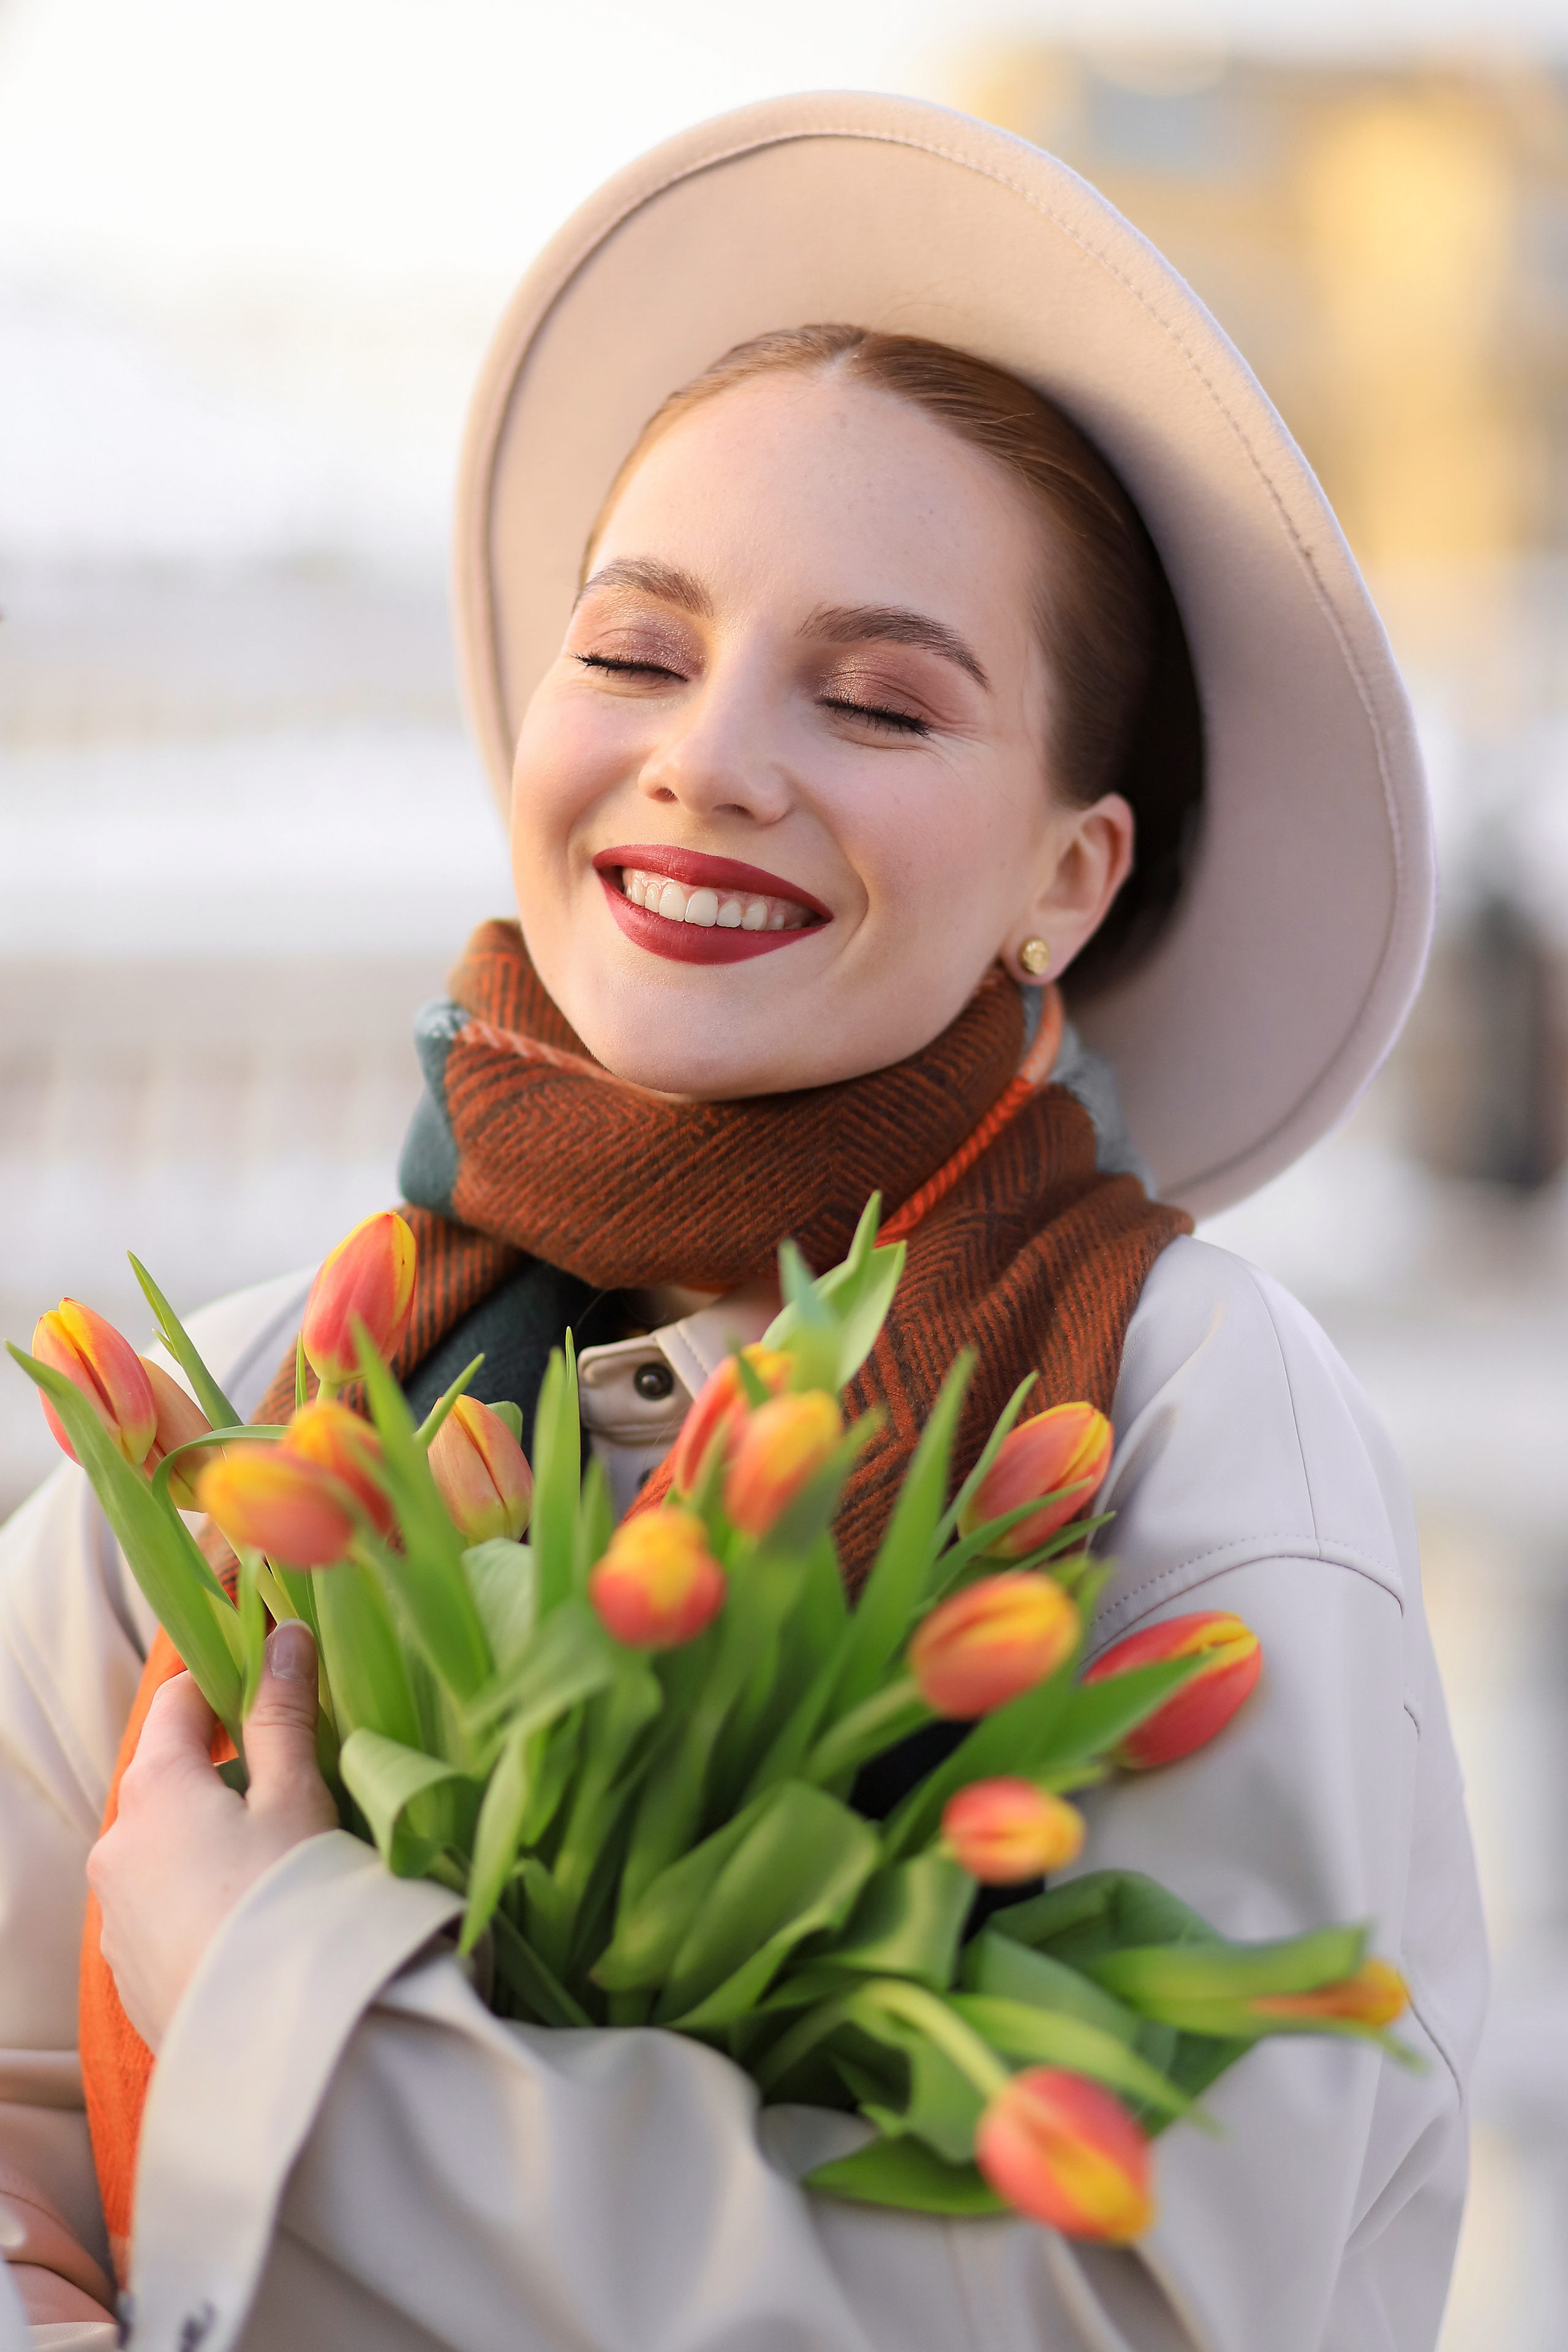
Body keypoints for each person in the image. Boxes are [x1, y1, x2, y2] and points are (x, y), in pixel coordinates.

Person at [0, 93, 1485, 2352]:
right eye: (634, 652)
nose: (710, 757)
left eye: (877, 698)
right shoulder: (266, 1398)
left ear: (1066, 876)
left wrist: (287, 2008)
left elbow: (1137, 2304)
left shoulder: (1183, 1419)